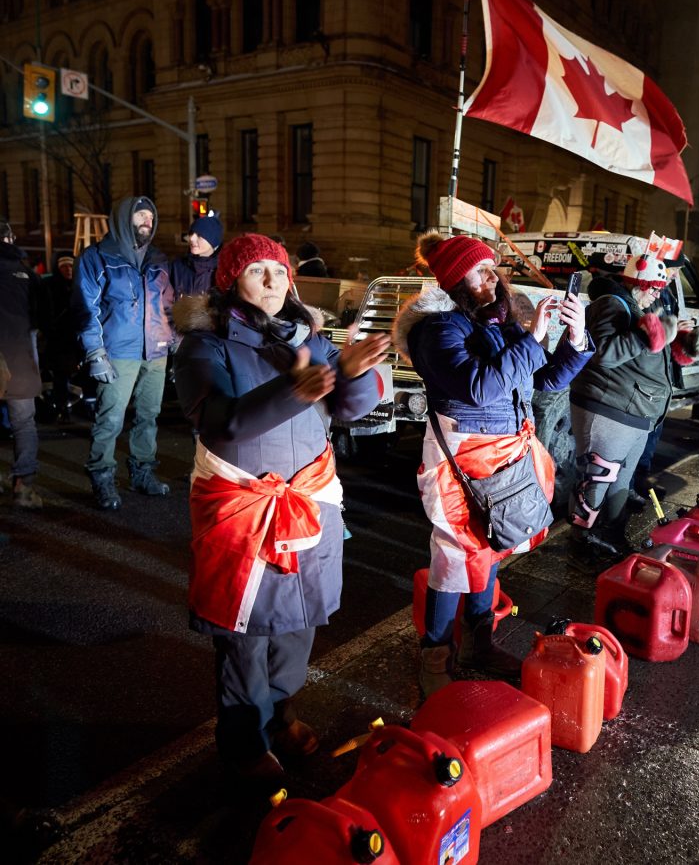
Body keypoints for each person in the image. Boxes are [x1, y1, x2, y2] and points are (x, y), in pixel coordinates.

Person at [172, 233, 389, 785]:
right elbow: (220, 422)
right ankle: (245, 741)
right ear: (229, 282)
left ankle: (282, 714)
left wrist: (356, 374)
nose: (271, 280)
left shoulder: (309, 338)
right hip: (244, 508)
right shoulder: (206, 344)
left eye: (277, 269)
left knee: (297, 619)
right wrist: (296, 389)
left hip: (309, 497)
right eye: (255, 271)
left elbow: (347, 408)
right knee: (246, 631)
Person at [393, 231, 592, 695]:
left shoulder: (495, 322)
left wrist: (574, 337)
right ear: (451, 282)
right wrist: (534, 337)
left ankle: (480, 642)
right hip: (463, 458)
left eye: (490, 268)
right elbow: (479, 388)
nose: (489, 278)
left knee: (494, 545)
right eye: (476, 271)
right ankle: (436, 658)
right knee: (454, 553)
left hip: (506, 453)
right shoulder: (438, 329)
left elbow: (541, 380)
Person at [568, 254, 689, 564]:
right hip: (608, 407)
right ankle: (582, 540)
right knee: (596, 478)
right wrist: (649, 333)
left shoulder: (636, 307)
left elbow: (640, 352)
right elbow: (605, 353)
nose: (657, 294)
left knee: (620, 480)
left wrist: (676, 342)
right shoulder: (611, 304)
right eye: (653, 287)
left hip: (632, 410)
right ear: (637, 283)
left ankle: (610, 534)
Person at [71, 196, 175, 509]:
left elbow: (168, 304)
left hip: (155, 350)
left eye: (150, 215)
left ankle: (142, 472)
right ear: (123, 218)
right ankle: (102, 476)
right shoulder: (97, 257)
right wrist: (95, 353)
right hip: (118, 351)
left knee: (149, 416)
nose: (148, 220)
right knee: (110, 418)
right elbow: (84, 307)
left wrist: (174, 342)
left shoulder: (158, 258)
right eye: (140, 214)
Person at [0, 221, 44, 508]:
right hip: (19, 357)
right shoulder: (27, 274)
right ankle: (23, 488)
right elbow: (43, 318)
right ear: (10, 238)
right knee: (24, 423)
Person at [42, 251, 79, 422]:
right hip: (59, 338)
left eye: (71, 265)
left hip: (76, 336)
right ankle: (62, 407)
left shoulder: (79, 285)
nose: (68, 269)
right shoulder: (50, 286)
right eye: (64, 266)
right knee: (61, 375)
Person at [169, 213, 223, 298]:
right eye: (191, 233)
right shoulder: (176, 266)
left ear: (213, 240)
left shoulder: (223, 271)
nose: (191, 238)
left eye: (199, 235)